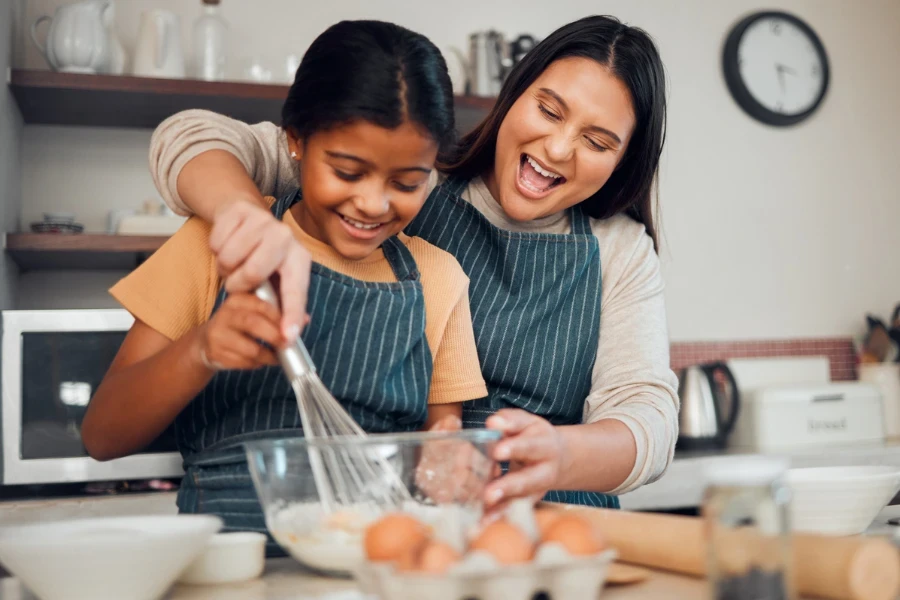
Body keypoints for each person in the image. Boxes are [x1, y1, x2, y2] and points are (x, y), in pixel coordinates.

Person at [145, 15, 679, 510]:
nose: (560, 148)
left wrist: (559, 455)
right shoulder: (407, 178)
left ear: (623, 159)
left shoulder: (620, 250)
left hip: (552, 519)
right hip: (406, 518)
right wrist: (245, 217)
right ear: (513, 95)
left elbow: (647, 420)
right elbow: (191, 136)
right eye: (549, 109)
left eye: (596, 141)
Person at [82, 20, 488, 550]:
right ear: (295, 141)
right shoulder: (220, 243)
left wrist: (450, 457)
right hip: (229, 565)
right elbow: (103, 435)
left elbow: (442, 440)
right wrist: (200, 349)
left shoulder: (438, 277)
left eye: (407, 182)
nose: (373, 203)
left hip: (367, 567)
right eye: (347, 172)